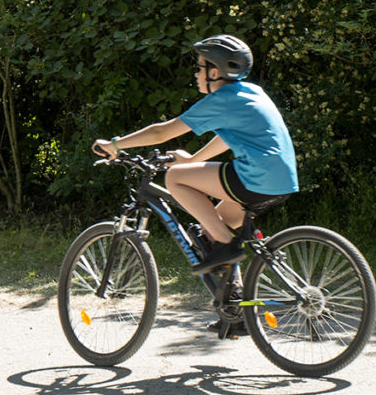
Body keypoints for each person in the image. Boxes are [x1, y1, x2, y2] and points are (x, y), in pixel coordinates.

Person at [92, 34, 299, 273]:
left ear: (214, 72)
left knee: (175, 177)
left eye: (199, 67)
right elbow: (226, 137)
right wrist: (193, 159)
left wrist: (114, 145)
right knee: (215, 224)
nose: (196, 73)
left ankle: (227, 245)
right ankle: (234, 296)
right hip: (282, 181)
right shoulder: (250, 92)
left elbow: (161, 133)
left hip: (256, 177)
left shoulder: (222, 100)